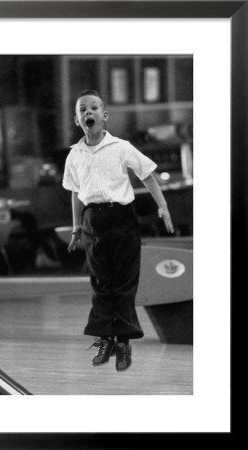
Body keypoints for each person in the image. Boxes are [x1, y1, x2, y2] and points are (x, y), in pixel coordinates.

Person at [62, 90, 174, 372]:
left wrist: (163, 206)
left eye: (94, 108)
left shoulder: (121, 147)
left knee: (124, 282)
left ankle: (123, 342)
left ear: (104, 115)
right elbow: (75, 193)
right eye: (83, 109)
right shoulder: (74, 155)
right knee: (101, 283)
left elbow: (146, 173)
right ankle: (104, 339)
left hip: (122, 217)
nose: (89, 112)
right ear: (77, 119)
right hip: (92, 220)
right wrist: (76, 226)